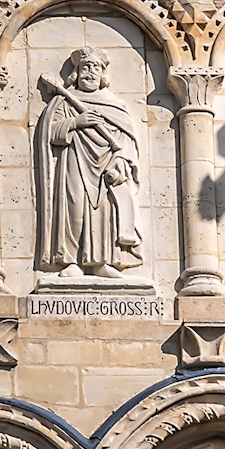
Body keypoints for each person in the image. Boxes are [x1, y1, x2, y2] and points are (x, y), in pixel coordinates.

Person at [35, 46, 142, 278]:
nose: (90, 73)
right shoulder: (64, 103)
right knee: (74, 206)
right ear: (77, 73)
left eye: (95, 68)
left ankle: (102, 262)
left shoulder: (115, 105)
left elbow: (126, 141)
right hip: (75, 159)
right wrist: (76, 122)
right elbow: (50, 133)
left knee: (103, 212)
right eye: (85, 67)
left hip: (106, 164)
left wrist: (120, 164)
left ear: (103, 74)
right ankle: (70, 260)